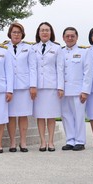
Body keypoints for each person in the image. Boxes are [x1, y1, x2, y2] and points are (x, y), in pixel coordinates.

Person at [30, 22, 63, 152]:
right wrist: (33, 86)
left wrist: (60, 87)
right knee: (40, 115)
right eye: (42, 30)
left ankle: (51, 141)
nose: (44, 32)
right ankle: (43, 141)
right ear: (38, 33)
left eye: (47, 30)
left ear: (51, 32)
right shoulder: (33, 48)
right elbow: (32, 68)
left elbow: (60, 68)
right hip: (38, 87)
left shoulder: (57, 48)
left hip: (51, 86)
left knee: (51, 115)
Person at [2, 22, 35, 152]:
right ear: (10, 34)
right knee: (11, 115)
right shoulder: (3, 48)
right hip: (9, 87)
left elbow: (32, 68)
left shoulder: (29, 48)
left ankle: (23, 142)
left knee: (23, 115)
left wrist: (33, 85)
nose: (16, 35)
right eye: (14, 32)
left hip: (24, 86)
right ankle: (12, 142)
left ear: (22, 34)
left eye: (19, 32)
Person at [60, 27, 93, 151]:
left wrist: (85, 91)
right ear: (63, 38)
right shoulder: (60, 52)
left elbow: (88, 72)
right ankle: (70, 140)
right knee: (66, 116)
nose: (70, 38)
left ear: (77, 37)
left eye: (72, 36)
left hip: (78, 91)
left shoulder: (84, 52)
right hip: (64, 90)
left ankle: (80, 141)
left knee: (79, 116)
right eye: (67, 36)